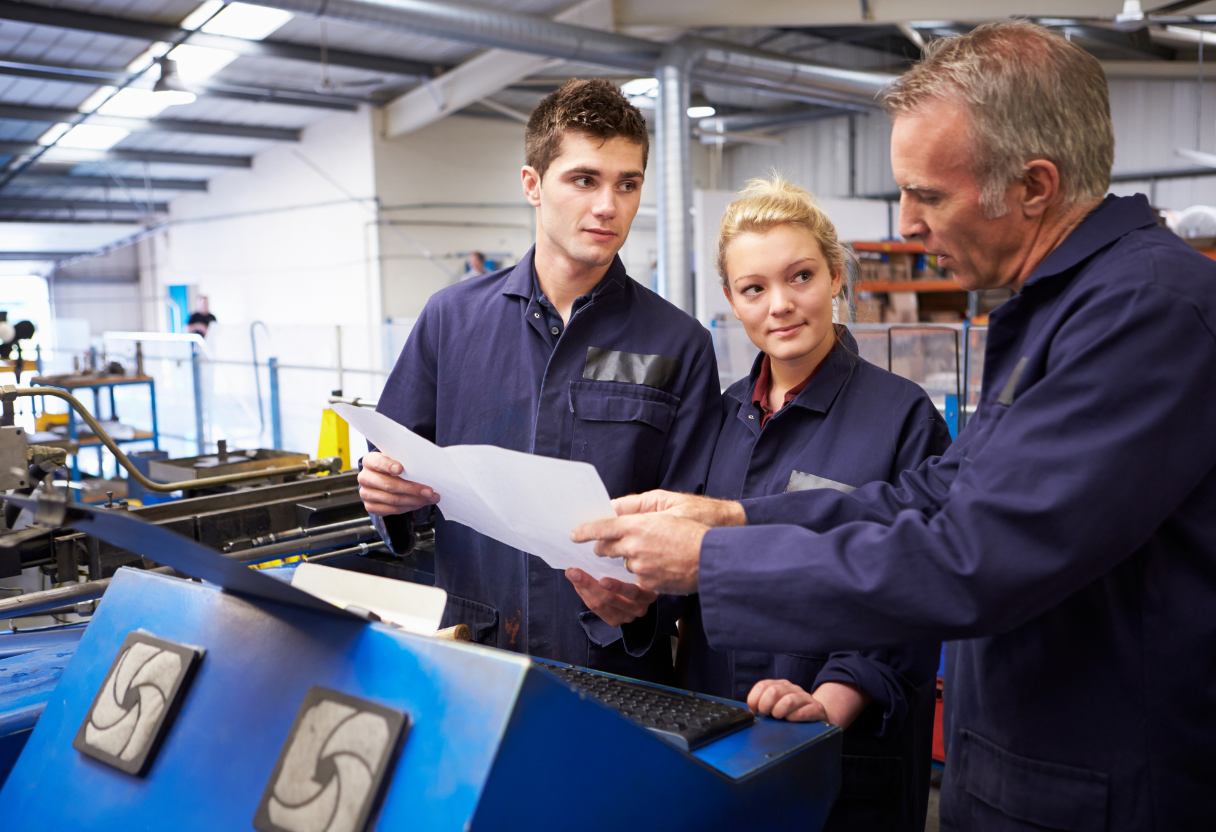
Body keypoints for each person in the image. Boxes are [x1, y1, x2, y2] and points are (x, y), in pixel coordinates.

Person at [572, 22, 1216, 830]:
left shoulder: (1146, 313)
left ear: (1034, 186)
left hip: (1104, 793)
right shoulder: (1060, 311)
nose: (906, 224)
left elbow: (973, 557)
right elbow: (940, 496)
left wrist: (714, 558)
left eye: (929, 195)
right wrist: (732, 516)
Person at [358, 79, 722, 684]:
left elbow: (694, 520)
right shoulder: (450, 320)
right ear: (533, 185)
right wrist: (383, 495)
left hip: (612, 670)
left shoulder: (679, 345)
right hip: (475, 654)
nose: (608, 205)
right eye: (585, 180)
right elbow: (392, 466)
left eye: (627, 184)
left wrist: (645, 610)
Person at [686, 175, 949, 831]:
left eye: (799, 276)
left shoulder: (901, 417)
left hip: (846, 759)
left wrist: (831, 700)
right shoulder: (719, 421)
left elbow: (919, 586)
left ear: (835, 276)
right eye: (754, 288)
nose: (780, 304)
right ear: (731, 301)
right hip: (718, 743)